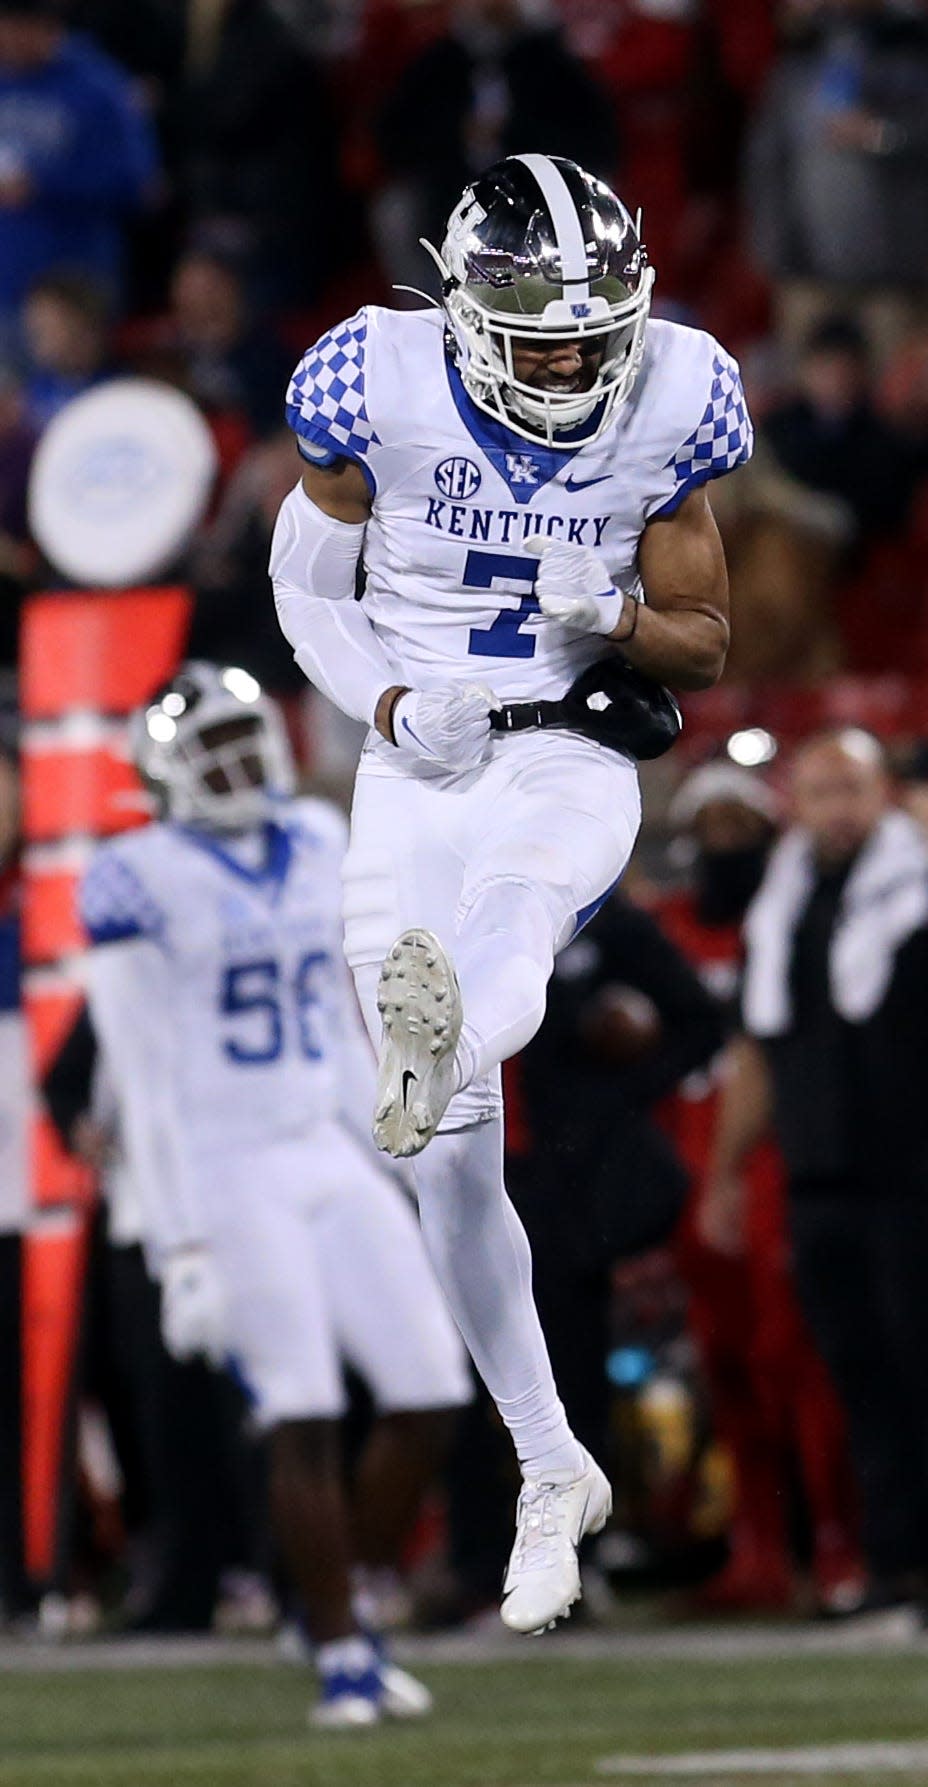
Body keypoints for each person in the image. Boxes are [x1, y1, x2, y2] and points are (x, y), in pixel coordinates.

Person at [271, 151, 753, 1634]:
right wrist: (394, 700)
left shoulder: (677, 391)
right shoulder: (374, 380)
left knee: (524, 914)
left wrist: (610, 610)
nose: (568, 354)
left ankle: (458, 1035)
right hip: (416, 763)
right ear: (466, 308)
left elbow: (707, 639)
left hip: (564, 752)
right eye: (538, 326)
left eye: (588, 325)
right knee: (448, 1171)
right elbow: (305, 591)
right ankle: (554, 1462)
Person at [79, 662, 471, 1725]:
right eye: (210, 747)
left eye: (243, 738)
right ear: (167, 767)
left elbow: (345, 1014)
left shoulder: (315, 835)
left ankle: (328, 1596)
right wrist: (181, 1243)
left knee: (431, 1387)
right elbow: (145, 1076)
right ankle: (344, 1649)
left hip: (320, 1141)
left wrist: (392, 1143)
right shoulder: (132, 872)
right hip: (222, 1160)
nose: (236, 761)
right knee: (299, 1409)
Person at [706, 728, 928, 1610]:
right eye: (820, 790)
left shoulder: (915, 890)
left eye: (852, 789)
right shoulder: (784, 903)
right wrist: (726, 1172)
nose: (837, 808)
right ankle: (894, 1557)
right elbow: (761, 1047)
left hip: (914, 1171)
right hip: (821, 1174)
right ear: (793, 804)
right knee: (859, 1372)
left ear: (885, 796)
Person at [662, 761, 863, 1616]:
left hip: (774, 1167)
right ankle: (761, 1549)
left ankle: (837, 1541)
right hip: (694, 1171)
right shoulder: (659, 927)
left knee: (800, 1363)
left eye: (743, 829)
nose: (726, 848)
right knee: (730, 1368)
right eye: (712, 831)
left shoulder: (797, 921)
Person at [0, 0, 158, 330]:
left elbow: (137, 183)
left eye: (19, 27)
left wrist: (42, 185)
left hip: (77, 286)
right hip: (8, 283)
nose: (9, 39)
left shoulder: (98, 86)